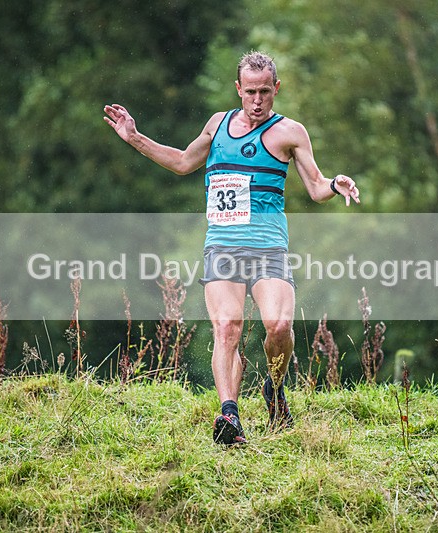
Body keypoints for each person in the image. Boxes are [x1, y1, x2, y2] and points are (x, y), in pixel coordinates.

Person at [104, 51, 360, 444]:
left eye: (265, 92)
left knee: (278, 326)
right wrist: (135, 138)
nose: (257, 101)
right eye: (250, 92)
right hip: (222, 246)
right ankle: (229, 417)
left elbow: (314, 185)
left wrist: (335, 184)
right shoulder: (217, 124)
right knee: (227, 327)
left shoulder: (290, 132)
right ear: (238, 89)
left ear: (276, 89)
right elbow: (183, 162)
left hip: (268, 248)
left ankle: (274, 389)